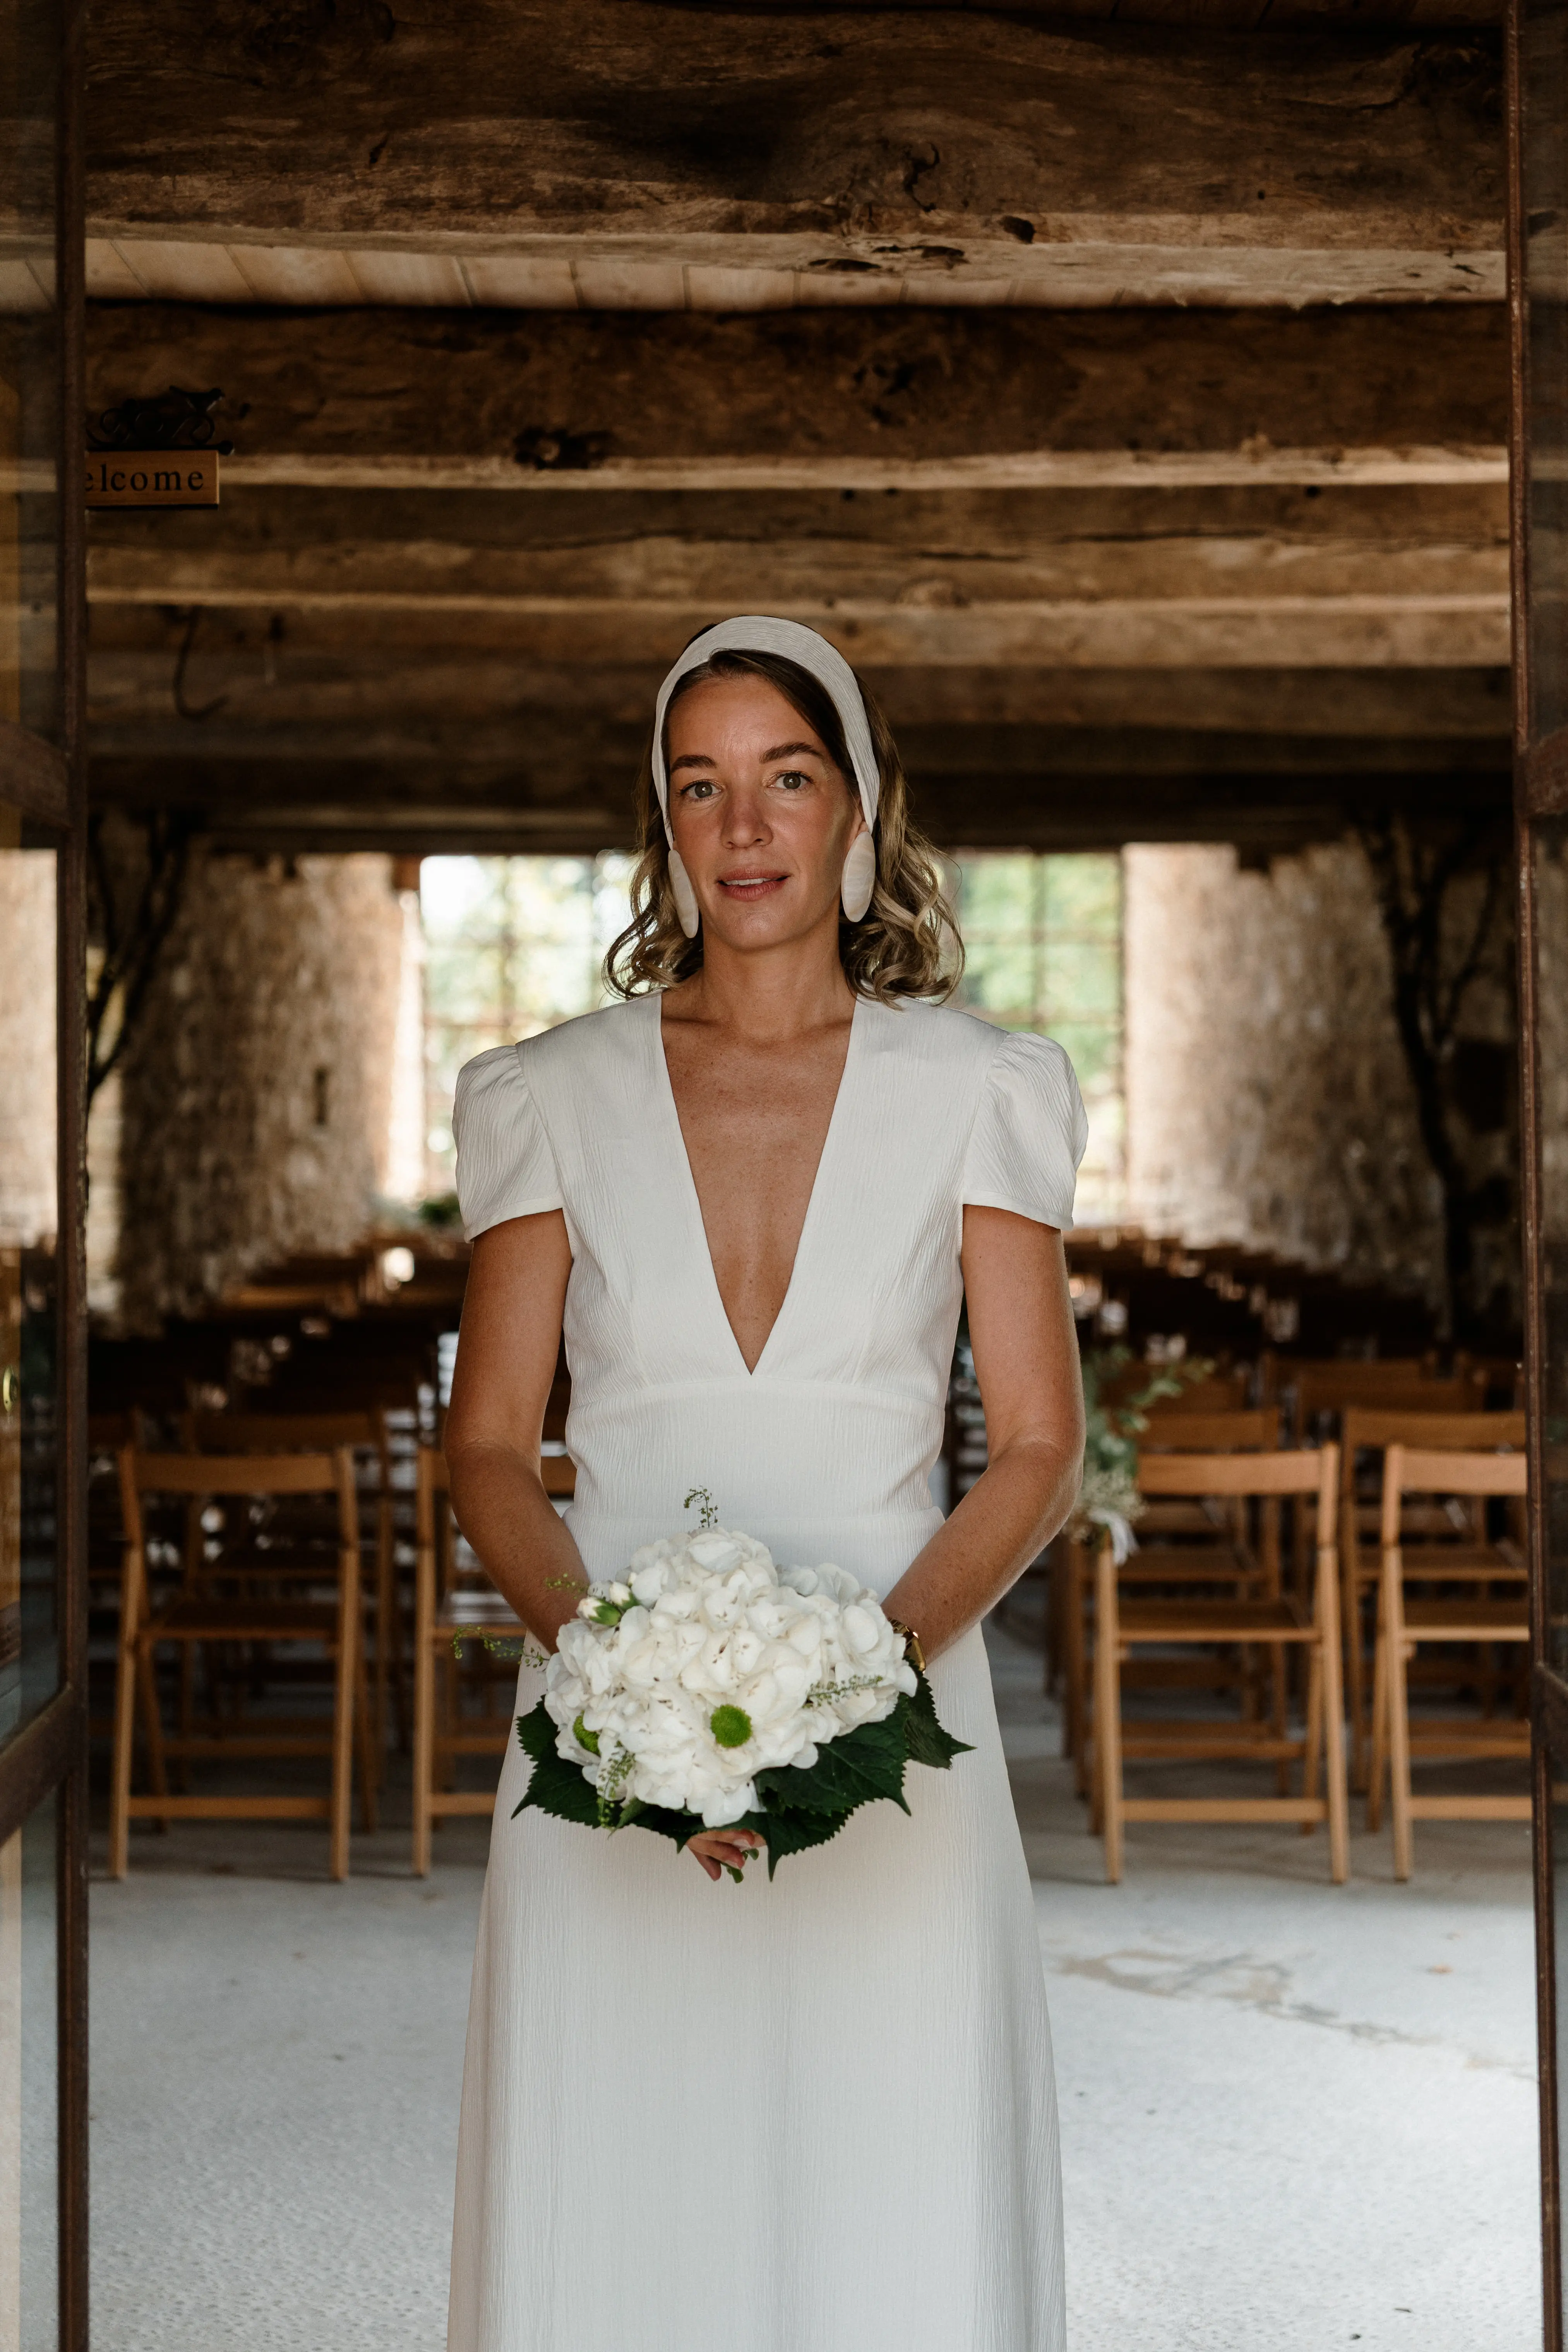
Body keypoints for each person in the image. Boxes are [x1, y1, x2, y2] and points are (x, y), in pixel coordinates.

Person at [444, 615, 1087, 2352]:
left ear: (859, 807)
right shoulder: (548, 1092)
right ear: (663, 827)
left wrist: (862, 1677)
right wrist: (620, 1690)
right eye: (699, 785)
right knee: (624, 2174)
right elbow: (490, 1446)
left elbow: (1038, 1439)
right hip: (597, 1735)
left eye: (785, 779)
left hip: (901, 1731)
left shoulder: (980, 1087)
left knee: (888, 2171)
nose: (743, 827)